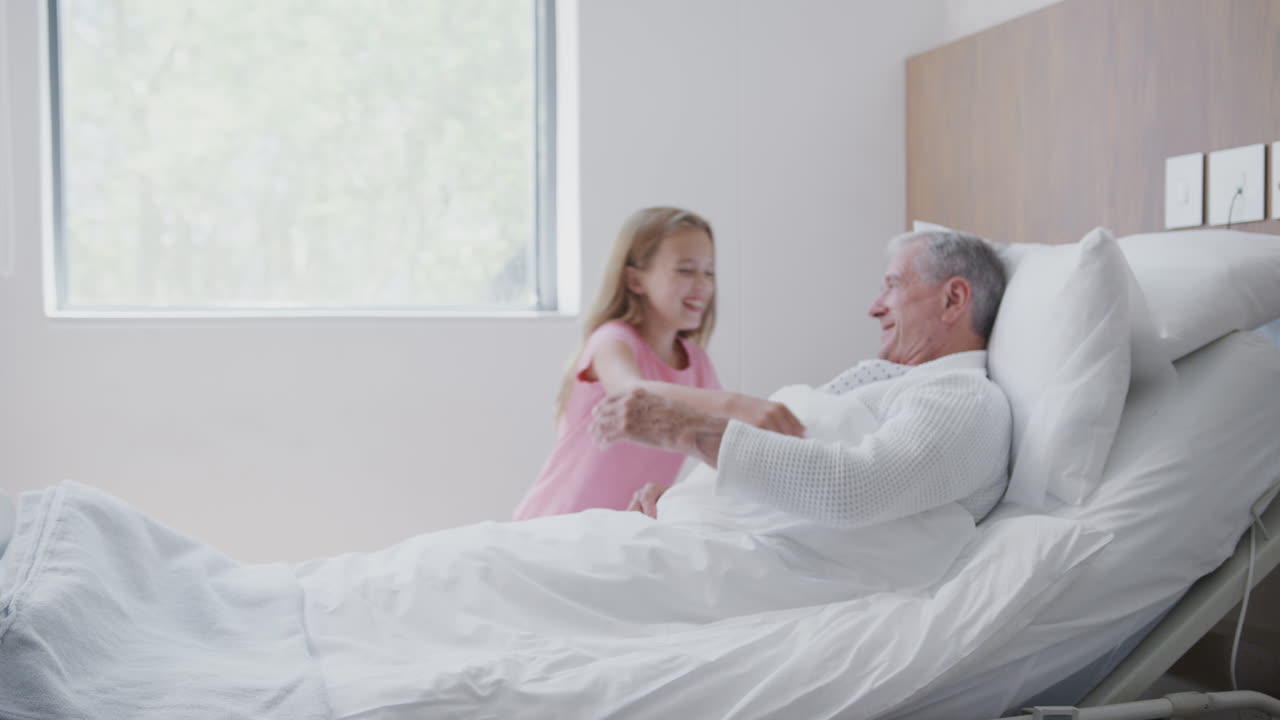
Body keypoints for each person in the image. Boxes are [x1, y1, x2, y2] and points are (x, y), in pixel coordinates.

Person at [592, 229, 1012, 527]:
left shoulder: (963, 399)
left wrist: (688, 431)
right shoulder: (891, 385)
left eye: (892, 286)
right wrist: (683, 500)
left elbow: (853, 490)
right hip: (672, 529)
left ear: (953, 298)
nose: (874, 307)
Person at [512, 207, 805, 520]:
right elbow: (633, 394)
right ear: (635, 279)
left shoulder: (697, 363)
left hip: (614, 537)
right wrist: (736, 404)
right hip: (552, 523)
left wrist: (678, 496)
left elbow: (719, 451)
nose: (703, 284)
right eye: (686, 270)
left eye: (709, 272)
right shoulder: (611, 340)